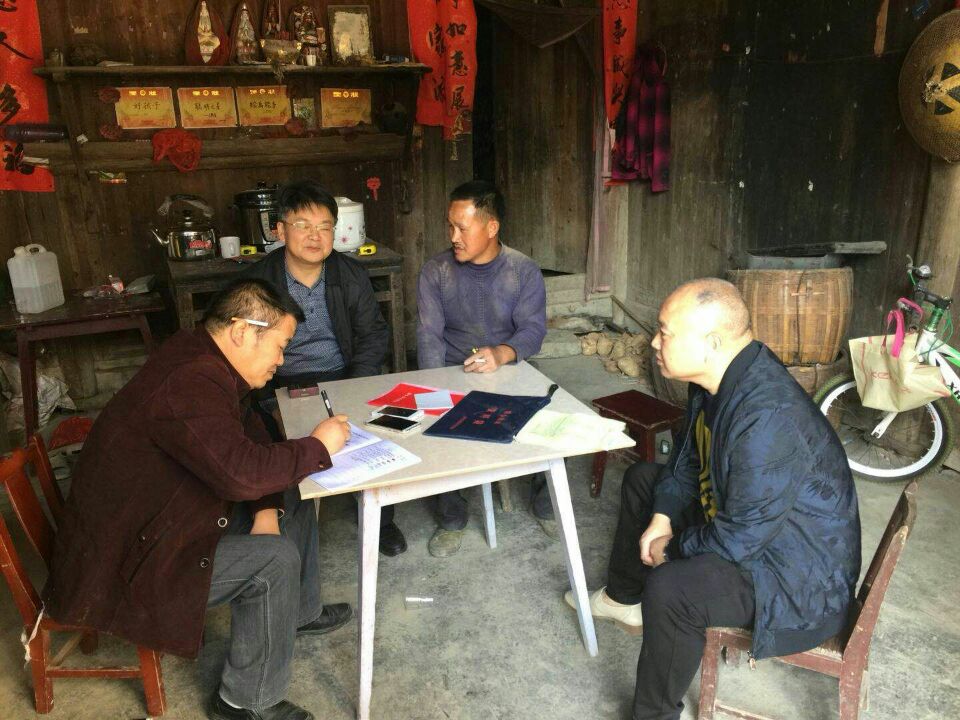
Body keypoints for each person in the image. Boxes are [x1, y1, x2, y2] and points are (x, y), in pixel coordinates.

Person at [45, 279, 353, 720]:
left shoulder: (204, 360)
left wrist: (266, 511)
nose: (282, 361)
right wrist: (318, 446)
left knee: (293, 491)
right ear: (242, 331)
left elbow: (253, 441)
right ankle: (244, 700)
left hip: (162, 523)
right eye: (281, 346)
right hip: (129, 563)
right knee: (274, 561)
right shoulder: (191, 379)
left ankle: (298, 613)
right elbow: (241, 475)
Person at [566, 278, 861, 720]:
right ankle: (624, 600)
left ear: (712, 343)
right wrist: (663, 516)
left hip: (794, 577)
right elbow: (687, 458)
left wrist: (672, 548)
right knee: (645, 480)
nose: (654, 342)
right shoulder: (713, 381)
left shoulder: (767, 418)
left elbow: (740, 538)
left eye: (665, 332)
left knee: (672, 589)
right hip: (752, 528)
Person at [240, 179, 407, 557]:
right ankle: (282, 521)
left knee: (375, 433)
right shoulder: (259, 282)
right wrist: (268, 399)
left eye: (324, 226)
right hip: (280, 380)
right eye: (302, 225)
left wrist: (352, 387)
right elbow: (246, 352)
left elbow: (373, 335)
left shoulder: (349, 274)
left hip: (342, 374)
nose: (314, 236)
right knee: (264, 441)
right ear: (279, 230)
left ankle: (382, 520)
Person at [417, 180, 550, 557]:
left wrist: (503, 353)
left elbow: (533, 331)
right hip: (452, 371)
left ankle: (546, 504)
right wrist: (436, 391)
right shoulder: (436, 271)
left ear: (492, 227)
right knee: (437, 426)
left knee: (549, 418)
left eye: (462, 227)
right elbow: (429, 337)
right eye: (450, 226)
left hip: (508, 368)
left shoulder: (522, 270)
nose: (453, 237)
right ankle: (452, 518)